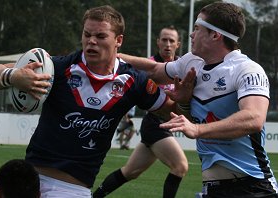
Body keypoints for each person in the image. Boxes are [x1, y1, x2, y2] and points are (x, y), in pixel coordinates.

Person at [0, 5, 195, 198]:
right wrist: (13, 76)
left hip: (74, 190)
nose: (91, 41)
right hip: (31, 183)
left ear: (118, 40)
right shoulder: (58, 69)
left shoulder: (134, 81)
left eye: (100, 36)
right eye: (87, 34)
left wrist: (183, 101)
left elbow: (174, 113)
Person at [117, 2, 278, 197]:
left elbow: (254, 118)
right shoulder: (192, 62)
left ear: (215, 35)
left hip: (254, 188)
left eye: (196, 28)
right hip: (212, 189)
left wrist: (197, 129)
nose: (192, 34)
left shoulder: (248, 70)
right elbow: (153, 69)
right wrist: (113, 58)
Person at [93, 26, 188, 198]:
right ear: (158, 42)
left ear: (178, 44)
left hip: (166, 124)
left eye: (171, 41)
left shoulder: (181, 66)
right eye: (164, 39)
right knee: (180, 166)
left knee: (130, 172)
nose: (167, 44)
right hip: (155, 124)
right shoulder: (149, 65)